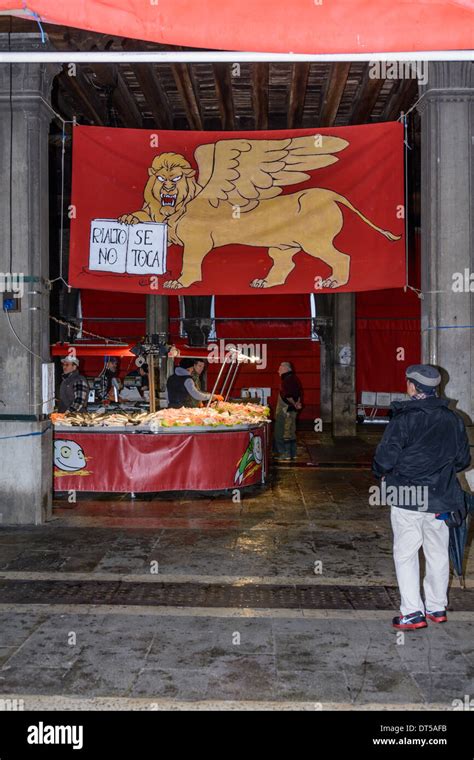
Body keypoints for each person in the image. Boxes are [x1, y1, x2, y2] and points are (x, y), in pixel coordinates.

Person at [372, 364, 471, 631]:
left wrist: (381, 473)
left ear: (412, 386)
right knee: (438, 552)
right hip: (441, 498)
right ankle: (437, 607)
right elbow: (463, 460)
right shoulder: (454, 419)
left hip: (408, 497)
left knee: (406, 553)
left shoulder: (403, 419)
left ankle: (412, 613)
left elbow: (384, 459)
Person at [274, 361, 303, 461]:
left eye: (279, 368)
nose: (278, 370)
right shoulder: (294, 378)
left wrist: (294, 403)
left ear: (285, 368)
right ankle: (293, 453)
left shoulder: (286, 380)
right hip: (292, 411)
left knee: (282, 433)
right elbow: (299, 393)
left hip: (285, 411)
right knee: (291, 432)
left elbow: (288, 395)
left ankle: (284, 454)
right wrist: (297, 403)